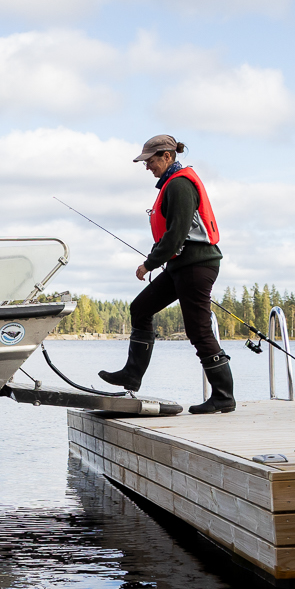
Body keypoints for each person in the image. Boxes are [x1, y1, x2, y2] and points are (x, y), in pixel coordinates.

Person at [98, 134, 235, 413]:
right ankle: (131, 375)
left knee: (198, 329)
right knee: (140, 308)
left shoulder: (181, 185)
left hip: (197, 265)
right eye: (145, 162)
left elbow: (177, 234)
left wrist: (149, 263)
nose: (147, 166)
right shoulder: (172, 185)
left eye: (150, 161)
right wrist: (159, 257)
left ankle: (223, 395)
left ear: (167, 156)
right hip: (181, 266)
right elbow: (171, 235)